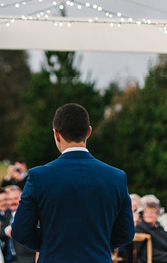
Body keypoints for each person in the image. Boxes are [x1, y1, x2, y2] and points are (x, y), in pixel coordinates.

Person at [12, 103, 135, 263]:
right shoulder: (116, 177)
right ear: (88, 132)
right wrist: (98, 243)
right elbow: (126, 233)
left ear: (56, 134)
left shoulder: (39, 176)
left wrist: (51, 244)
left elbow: (21, 230)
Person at [0, 186, 35, 263]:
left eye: (15, 198)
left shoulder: (31, 214)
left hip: (27, 259)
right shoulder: (6, 215)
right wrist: (7, 230)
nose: (12, 202)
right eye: (9, 199)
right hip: (7, 258)